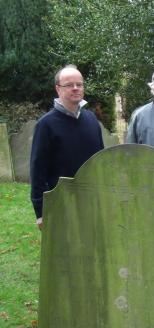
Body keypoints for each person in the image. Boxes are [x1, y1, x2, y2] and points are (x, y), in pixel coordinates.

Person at [30, 64, 104, 230]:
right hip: (61, 204)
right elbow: (38, 170)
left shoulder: (91, 120)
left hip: (92, 202)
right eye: (69, 85)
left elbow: (101, 162)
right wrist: (41, 211)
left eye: (79, 84)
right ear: (58, 89)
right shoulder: (46, 124)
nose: (76, 88)